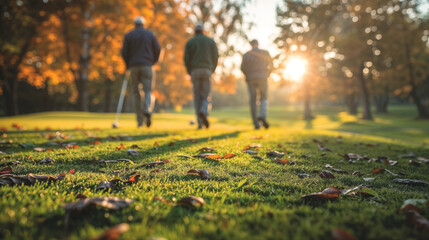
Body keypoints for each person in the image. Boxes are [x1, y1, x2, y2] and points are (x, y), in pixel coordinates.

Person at [121, 16, 161, 128]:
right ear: (144, 24)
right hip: (147, 65)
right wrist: (154, 61)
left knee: (135, 93)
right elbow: (158, 49)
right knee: (148, 90)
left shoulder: (129, 35)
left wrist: (127, 64)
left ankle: (139, 121)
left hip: (133, 66)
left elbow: (124, 52)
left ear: (135, 25)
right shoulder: (150, 34)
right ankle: (147, 109)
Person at [184, 24, 219, 129]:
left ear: (194, 31)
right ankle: (204, 111)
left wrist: (190, 71)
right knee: (206, 95)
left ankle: (199, 123)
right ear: (204, 31)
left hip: (194, 71)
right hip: (207, 70)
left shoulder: (190, 42)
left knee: (197, 97)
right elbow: (216, 57)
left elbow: (186, 59)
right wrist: (212, 69)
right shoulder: (210, 41)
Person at [241, 39, 272, 129]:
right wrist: (267, 74)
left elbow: (242, 68)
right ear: (258, 44)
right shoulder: (265, 53)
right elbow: (271, 65)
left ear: (251, 45)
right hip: (262, 78)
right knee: (263, 97)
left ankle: (256, 123)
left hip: (251, 79)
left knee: (253, 100)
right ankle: (262, 115)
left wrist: (248, 75)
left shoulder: (246, 55)